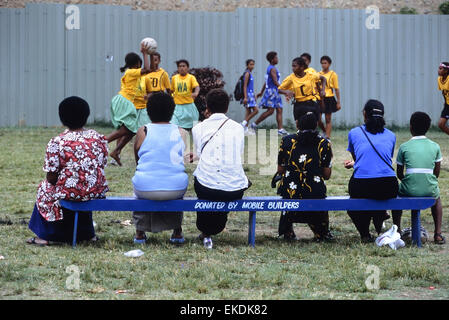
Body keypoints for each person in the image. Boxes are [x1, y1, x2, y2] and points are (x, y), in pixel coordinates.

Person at [27, 96, 109, 246]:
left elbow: (51, 178)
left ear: (62, 119)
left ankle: (46, 235)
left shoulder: (57, 141)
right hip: (96, 190)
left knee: (45, 188)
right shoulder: (98, 138)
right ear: (86, 116)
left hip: (72, 192)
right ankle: (87, 234)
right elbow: (102, 163)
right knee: (79, 188)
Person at [191, 89, 249, 249]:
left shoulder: (198, 128)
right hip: (234, 189)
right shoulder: (238, 128)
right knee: (221, 185)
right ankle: (212, 229)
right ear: (227, 107)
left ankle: (206, 231)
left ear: (207, 107)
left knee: (203, 179)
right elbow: (237, 153)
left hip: (206, 188)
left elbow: (200, 154)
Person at [132, 92, 188, 244]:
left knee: (139, 186)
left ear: (148, 112)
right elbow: (182, 159)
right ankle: (177, 231)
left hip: (145, 187)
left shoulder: (143, 130)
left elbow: (138, 158)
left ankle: (139, 232)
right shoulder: (181, 131)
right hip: (176, 187)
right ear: (172, 110)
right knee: (178, 188)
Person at [344, 99, 398, 242]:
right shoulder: (391, 135)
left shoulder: (354, 133)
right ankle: (380, 217)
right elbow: (387, 159)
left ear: (364, 114)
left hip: (362, 185)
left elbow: (357, 159)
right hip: (389, 185)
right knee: (378, 196)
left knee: (354, 203)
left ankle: (365, 234)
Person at [276, 112, 334, 242]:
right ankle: (322, 232)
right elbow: (327, 175)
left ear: (297, 124)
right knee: (317, 196)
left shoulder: (286, 141)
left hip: (291, 191)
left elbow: (280, 170)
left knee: (288, 192)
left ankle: (287, 231)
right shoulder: (324, 143)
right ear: (316, 125)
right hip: (315, 191)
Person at [392, 112, 445, 244]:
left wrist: (408, 181)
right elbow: (436, 172)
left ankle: (397, 230)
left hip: (408, 189)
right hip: (429, 188)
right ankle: (438, 234)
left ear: (411, 127)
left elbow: (399, 173)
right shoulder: (435, 146)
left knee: (397, 197)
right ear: (428, 128)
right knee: (437, 199)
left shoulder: (404, 147)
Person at [106, 45, 152, 166]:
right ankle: (102, 141)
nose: (140, 66)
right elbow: (147, 69)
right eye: (139, 64)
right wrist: (145, 53)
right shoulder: (131, 72)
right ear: (136, 63)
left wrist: (150, 55)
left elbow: (149, 70)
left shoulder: (132, 73)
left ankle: (116, 151)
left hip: (125, 101)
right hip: (124, 101)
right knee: (126, 129)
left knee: (132, 130)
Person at [278, 57, 326, 127]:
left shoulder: (310, 75)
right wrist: (286, 92)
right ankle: (301, 137)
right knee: (299, 126)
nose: (292, 68)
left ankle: (314, 136)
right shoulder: (291, 78)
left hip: (310, 103)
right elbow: (279, 89)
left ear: (301, 67)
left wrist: (323, 90)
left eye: (294, 66)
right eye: (292, 66)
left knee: (312, 124)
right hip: (299, 104)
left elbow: (323, 78)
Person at [250, 51, 289, 136]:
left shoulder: (270, 68)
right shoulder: (272, 69)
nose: (277, 59)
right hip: (273, 92)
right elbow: (275, 82)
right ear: (272, 60)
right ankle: (254, 125)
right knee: (271, 111)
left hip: (273, 91)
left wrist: (261, 92)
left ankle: (280, 129)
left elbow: (266, 82)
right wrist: (284, 90)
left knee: (279, 109)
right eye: (276, 58)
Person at [170, 59, 200, 131]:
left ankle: (194, 140)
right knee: (174, 125)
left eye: (184, 66)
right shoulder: (174, 78)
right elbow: (171, 90)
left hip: (189, 106)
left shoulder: (191, 77)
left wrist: (196, 93)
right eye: (180, 66)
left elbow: (197, 87)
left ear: (187, 68)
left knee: (195, 125)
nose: (182, 68)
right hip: (177, 106)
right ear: (178, 68)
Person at [319, 55, 342, 138]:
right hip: (320, 98)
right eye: (322, 63)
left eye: (325, 63)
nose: (323, 65)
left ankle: (327, 137)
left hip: (329, 98)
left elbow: (336, 89)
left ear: (329, 64)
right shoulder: (318, 74)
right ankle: (324, 131)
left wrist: (338, 102)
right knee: (318, 118)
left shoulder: (333, 74)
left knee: (328, 119)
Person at [240, 59, 259, 135]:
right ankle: (243, 124)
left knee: (248, 112)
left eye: (253, 64)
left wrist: (254, 94)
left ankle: (245, 129)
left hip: (250, 95)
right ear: (247, 65)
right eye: (250, 64)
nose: (252, 66)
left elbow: (250, 86)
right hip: (248, 95)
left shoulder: (250, 74)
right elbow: (245, 86)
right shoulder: (247, 73)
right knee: (256, 110)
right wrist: (245, 97)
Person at [437, 62, 449, 135]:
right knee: (441, 124)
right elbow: (443, 92)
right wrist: (445, 102)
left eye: (441, 69)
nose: (438, 70)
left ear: (446, 70)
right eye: (439, 68)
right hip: (447, 105)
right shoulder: (439, 79)